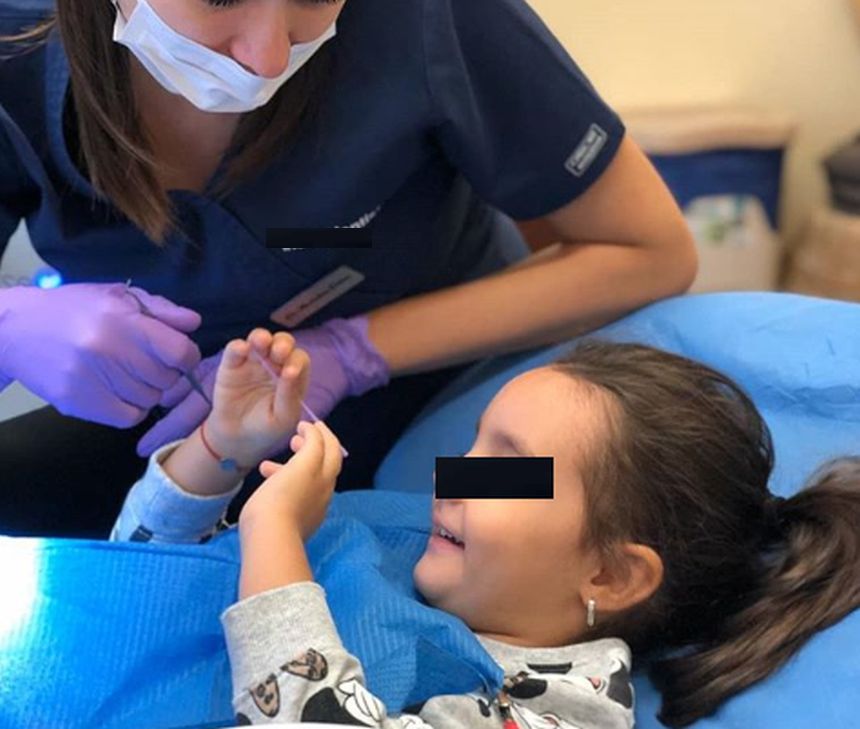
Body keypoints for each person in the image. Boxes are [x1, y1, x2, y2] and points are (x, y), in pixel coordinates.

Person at [0, 0, 697, 538]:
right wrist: (10, 323)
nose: (268, 57)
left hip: (446, 406)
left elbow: (651, 251)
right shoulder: (13, 43)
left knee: (551, 526)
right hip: (189, 424)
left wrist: (354, 351)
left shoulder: (428, 18)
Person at [111, 328, 860, 728]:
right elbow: (130, 593)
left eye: (508, 468)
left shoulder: (564, 706)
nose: (452, 476)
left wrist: (274, 535)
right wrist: (221, 451)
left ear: (609, 574)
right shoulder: (392, 544)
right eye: (473, 446)